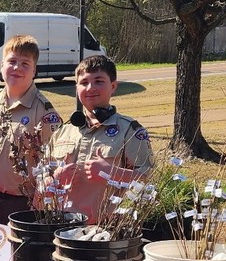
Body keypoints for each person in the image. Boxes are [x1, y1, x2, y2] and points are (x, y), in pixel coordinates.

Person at [0, 35, 63, 224]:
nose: (17, 68)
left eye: (25, 63)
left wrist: (38, 207)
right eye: (12, 61)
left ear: (34, 70)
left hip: (25, 207)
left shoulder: (44, 112)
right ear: (2, 65)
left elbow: (55, 166)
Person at [48, 55, 153, 222]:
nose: (90, 88)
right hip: (61, 225)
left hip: (106, 228)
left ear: (113, 86)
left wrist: (111, 172)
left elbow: (147, 178)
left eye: (98, 81)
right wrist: (55, 178)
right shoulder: (63, 132)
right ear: (76, 88)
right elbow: (41, 181)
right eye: (84, 83)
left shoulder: (129, 130)